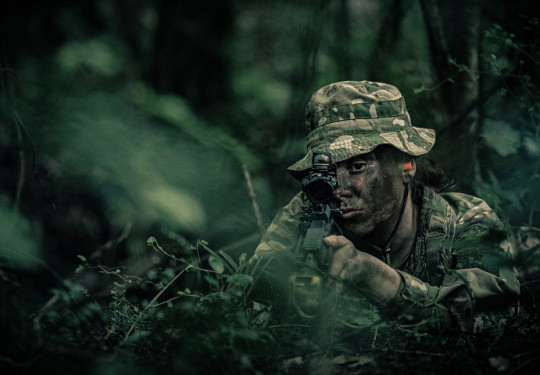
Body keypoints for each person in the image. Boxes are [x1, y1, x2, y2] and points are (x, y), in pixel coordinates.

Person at [249, 80, 520, 333]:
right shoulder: (305, 217)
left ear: (407, 165)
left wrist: (376, 278)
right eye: (327, 173)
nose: (339, 189)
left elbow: (497, 316)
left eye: (358, 166)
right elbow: (243, 310)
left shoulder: (466, 221)